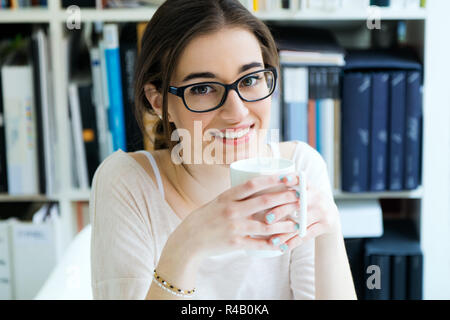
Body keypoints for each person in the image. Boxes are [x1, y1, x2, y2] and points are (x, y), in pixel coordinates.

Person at [89, 0, 356, 300]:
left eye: (251, 79)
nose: (237, 112)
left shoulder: (302, 167)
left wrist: (329, 231)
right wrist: (187, 245)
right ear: (158, 102)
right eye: (203, 88)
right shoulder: (127, 183)